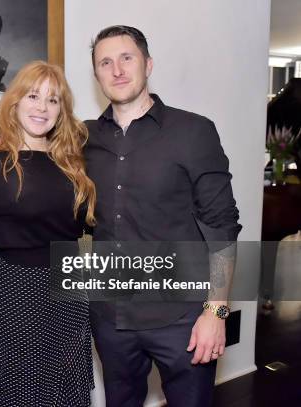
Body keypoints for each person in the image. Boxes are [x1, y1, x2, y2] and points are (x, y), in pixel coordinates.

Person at [85, 25, 242, 406]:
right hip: (112, 317)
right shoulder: (83, 138)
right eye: (105, 62)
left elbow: (222, 228)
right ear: (97, 74)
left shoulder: (193, 132)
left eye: (127, 58)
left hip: (183, 320)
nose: (117, 69)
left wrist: (217, 311)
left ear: (148, 64)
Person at [0, 60, 97, 406]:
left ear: (61, 110)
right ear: (15, 102)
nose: (42, 107)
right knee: (22, 391)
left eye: (53, 100)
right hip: (18, 289)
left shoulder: (72, 163)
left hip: (70, 286)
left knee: (68, 392)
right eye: (33, 95)